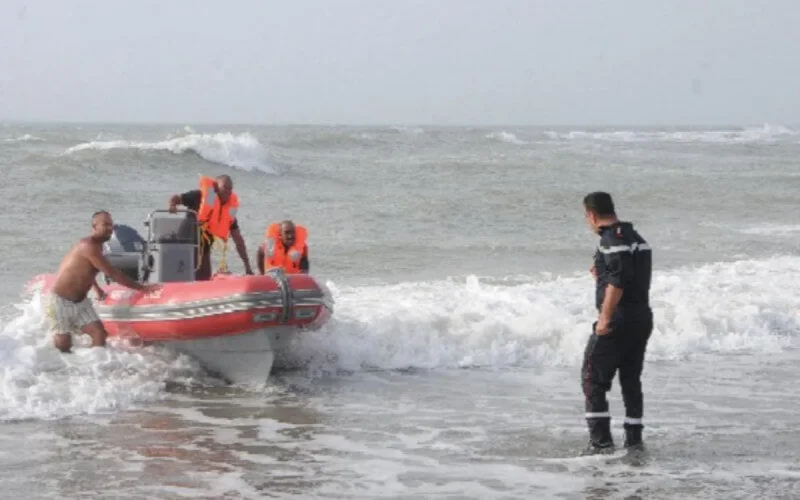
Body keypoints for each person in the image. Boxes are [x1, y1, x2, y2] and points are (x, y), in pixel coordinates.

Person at [581, 192, 653, 454]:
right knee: (630, 380)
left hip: (618, 320)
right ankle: (634, 441)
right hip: (641, 318)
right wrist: (599, 275)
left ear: (591, 214)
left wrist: (604, 319)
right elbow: (625, 276)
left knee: (592, 378)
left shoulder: (612, 240)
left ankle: (601, 445)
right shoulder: (636, 239)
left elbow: (618, 281)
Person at [46, 211, 162, 353]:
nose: (110, 228)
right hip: (61, 300)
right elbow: (112, 273)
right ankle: (63, 368)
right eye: (105, 224)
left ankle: (94, 366)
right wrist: (142, 288)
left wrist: (96, 288)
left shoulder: (99, 246)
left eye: (111, 224)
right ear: (94, 227)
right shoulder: (88, 246)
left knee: (99, 333)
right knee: (64, 343)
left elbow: (86, 270)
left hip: (81, 301)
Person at [168, 174, 254, 280]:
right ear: (216, 187)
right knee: (196, 274)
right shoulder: (200, 196)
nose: (228, 191)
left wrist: (247, 265)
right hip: (185, 245)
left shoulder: (229, 210)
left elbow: (238, 239)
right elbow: (176, 198)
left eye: (230, 189)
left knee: (205, 277)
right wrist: (172, 205)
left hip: (204, 250)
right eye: (225, 187)